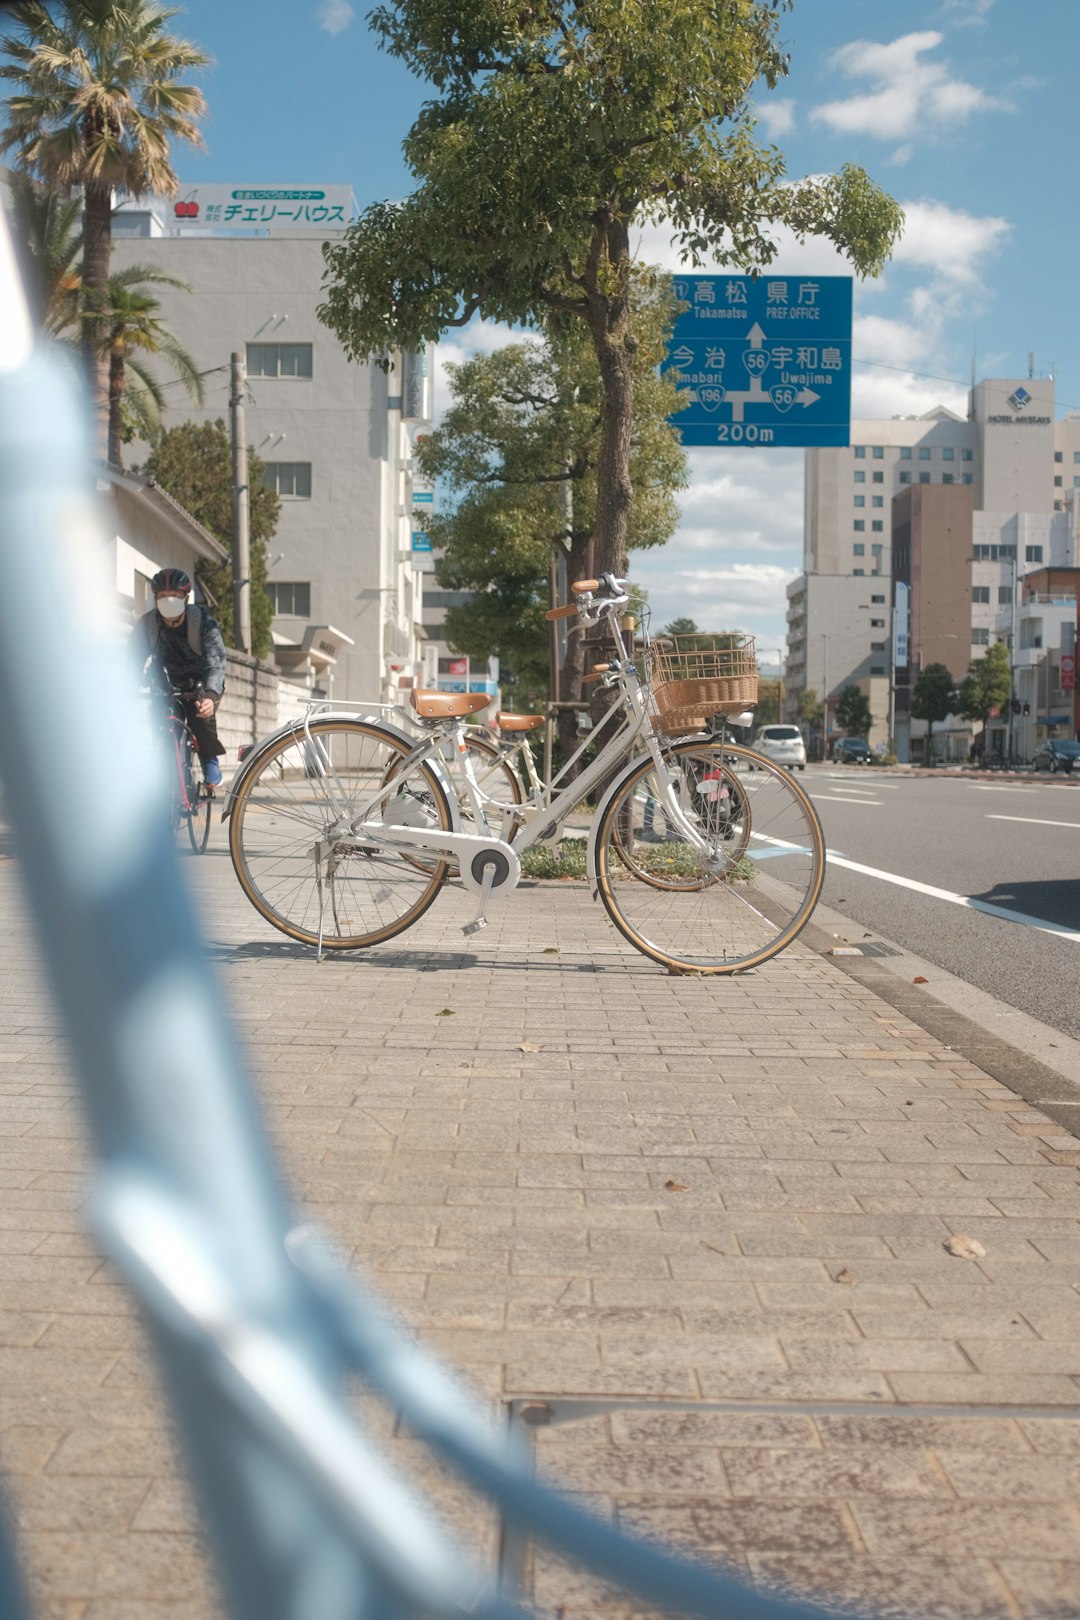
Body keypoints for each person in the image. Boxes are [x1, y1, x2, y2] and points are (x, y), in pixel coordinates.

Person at [132, 567, 226, 787]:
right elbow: (132, 659)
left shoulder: (203, 622)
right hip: (164, 685)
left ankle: (209, 759)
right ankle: (169, 776)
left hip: (198, 684)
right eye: (163, 596)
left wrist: (211, 696)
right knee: (162, 726)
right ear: (155, 598)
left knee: (201, 716)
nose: (168, 600)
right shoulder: (148, 624)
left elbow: (216, 662)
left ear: (186, 597)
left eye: (174, 596)